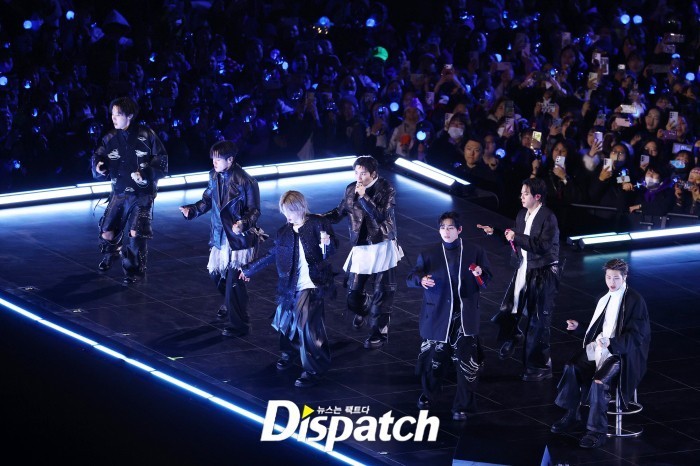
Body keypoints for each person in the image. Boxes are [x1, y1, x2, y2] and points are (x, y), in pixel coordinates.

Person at [240, 191, 337, 388]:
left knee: (307, 326)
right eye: (285, 212)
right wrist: (249, 269)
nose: (288, 216)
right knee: (285, 321)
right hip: (291, 284)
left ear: (300, 207)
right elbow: (272, 254)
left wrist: (328, 244)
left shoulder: (318, 223)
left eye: (290, 211)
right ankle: (289, 353)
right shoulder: (284, 232)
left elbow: (330, 251)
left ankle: (314, 368)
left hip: (313, 283)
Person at [551, 258, 650, 449]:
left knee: (599, 381)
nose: (611, 282)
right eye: (608, 277)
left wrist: (612, 343)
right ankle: (572, 414)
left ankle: (597, 431)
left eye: (616, 278)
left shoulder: (635, 300)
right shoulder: (605, 298)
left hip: (622, 354)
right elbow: (600, 328)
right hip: (601, 347)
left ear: (625, 277)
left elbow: (637, 336)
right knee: (572, 366)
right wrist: (579, 328)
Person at [407, 211, 492, 421]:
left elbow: (487, 279)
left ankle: (463, 405)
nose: (446, 231)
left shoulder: (474, 251)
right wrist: (421, 280)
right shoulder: (429, 253)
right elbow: (411, 276)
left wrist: (480, 274)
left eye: (450, 227)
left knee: (466, 364)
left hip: (464, 316)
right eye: (443, 228)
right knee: (434, 361)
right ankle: (429, 394)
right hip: (438, 315)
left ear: (459, 230)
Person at [479, 177, 560, 381]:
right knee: (509, 308)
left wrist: (516, 237)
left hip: (543, 272)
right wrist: (497, 233)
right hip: (524, 267)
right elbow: (516, 238)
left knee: (538, 320)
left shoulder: (548, 217)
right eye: (522, 193)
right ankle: (514, 335)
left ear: (537, 196)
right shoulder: (523, 214)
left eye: (525, 194)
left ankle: (539, 366)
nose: (521, 197)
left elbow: (542, 246)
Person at [179, 140, 262, 336]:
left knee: (234, 280)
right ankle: (232, 303)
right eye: (213, 159)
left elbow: (254, 211)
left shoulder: (246, 181)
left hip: (238, 238)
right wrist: (192, 210)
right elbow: (207, 199)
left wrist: (242, 224)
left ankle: (239, 324)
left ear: (230, 160)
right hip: (219, 234)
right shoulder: (213, 176)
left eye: (218, 159)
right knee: (215, 274)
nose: (214, 162)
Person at [322, 155, 403, 350]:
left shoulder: (386, 188)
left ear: (373, 174)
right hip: (361, 247)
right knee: (353, 294)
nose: (359, 177)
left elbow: (381, 216)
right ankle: (364, 308)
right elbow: (340, 212)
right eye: (356, 173)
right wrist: (317, 218)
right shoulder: (351, 189)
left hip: (382, 244)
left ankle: (379, 332)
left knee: (382, 293)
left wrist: (365, 196)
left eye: (363, 173)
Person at [91, 96, 168, 284]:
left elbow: (161, 159)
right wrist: (99, 166)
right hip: (119, 192)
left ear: (130, 115)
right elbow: (98, 156)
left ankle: (134, 271)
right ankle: (112, 253)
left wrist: (146, 173)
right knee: (106, 231)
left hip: (142, 194)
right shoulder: (110, 137)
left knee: (136, 232)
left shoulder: (147, 135)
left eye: (118, 115)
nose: (114, 118)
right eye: (112, 114)